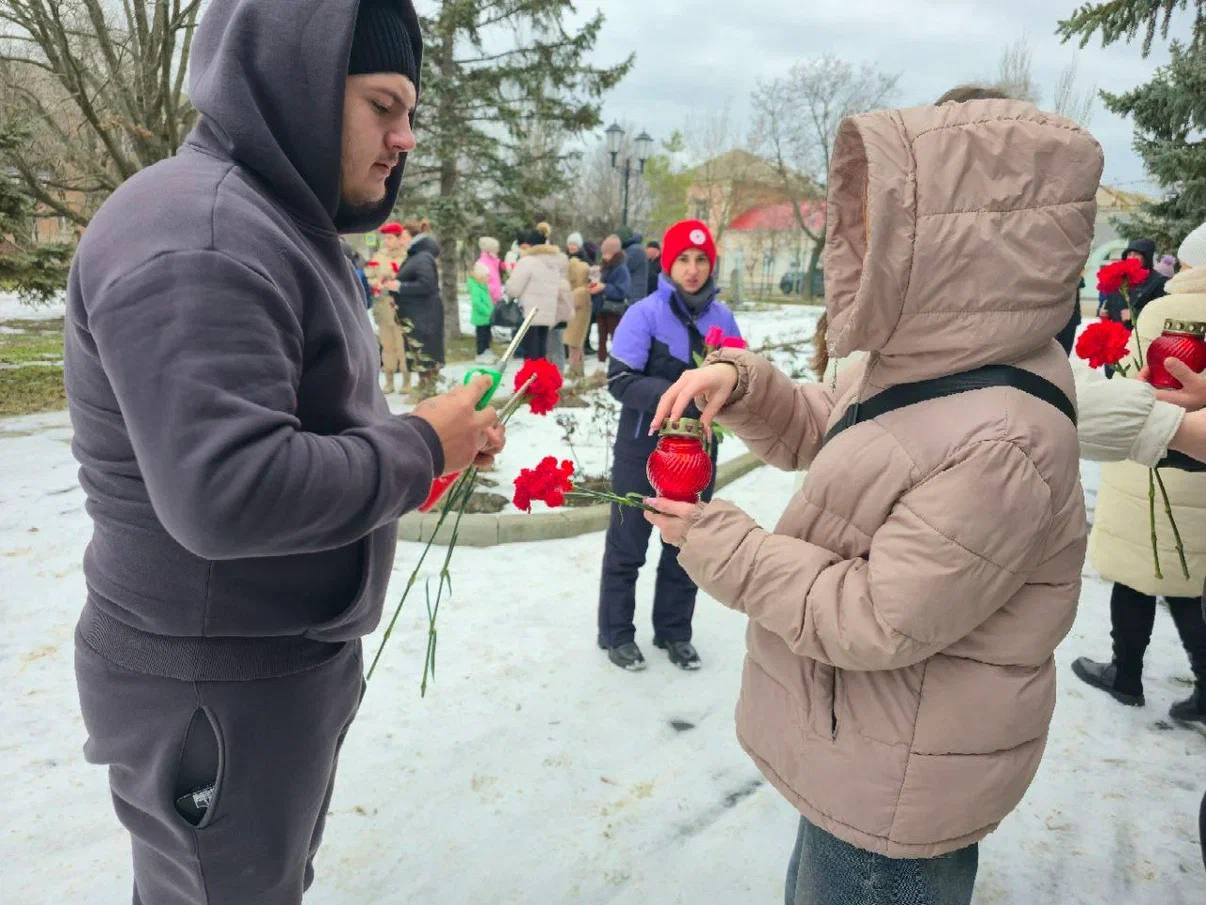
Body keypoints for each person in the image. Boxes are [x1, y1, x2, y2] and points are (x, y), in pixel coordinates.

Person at [62, 2, 505, 903]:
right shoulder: (202, 233)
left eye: (410, 113)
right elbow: (229, 491)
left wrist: (423, 443)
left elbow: (305, 428)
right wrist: (421, 444)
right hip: (213, 691)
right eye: (383, 105)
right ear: (296, 78)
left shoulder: (271, 221)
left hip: (262, 671)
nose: (403, 139)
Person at [645, 98, 1101, 903]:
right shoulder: (924, 356)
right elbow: (837, 430)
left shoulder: (1006, 440)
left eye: (885, 218)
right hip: (866, 746)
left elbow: (876, 615)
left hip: (901, 786)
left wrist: (725, 545)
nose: (862, 239)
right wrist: (744, 383)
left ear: (961, 244)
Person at [1074, 221, 1206, 724]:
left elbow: (1134, 381)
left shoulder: (1160, 310)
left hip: (1154, 457)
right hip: (1199, 470)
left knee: (1138, 572)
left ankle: (1125, 674)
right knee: (1189, 581)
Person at [597, 219, 741, 672]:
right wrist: (679, 397)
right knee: (628, 544)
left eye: (701, 260)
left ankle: (675, 632)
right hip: (643, 449)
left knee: (688, 545)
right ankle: (617, 633)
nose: (693, 269)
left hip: (698, 456)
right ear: (669, 264)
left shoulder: (724, 319)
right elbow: (619, 381)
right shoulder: (644, 314)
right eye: (684, 259)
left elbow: (738, 384)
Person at [505, 228, 571, 361]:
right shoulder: (554, 263)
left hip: (530, 314)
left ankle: (531, 379)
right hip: (548, 314)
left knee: (530, 353)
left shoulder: (527, 262)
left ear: (530, 245)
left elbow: (514, 289)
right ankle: (541, 378)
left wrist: (508, 287)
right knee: (541, 352)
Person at [395, 222, 445, 397]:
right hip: (417, 313)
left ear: (412, 237)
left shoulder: (422, 257)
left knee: (426, 351)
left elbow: (427, 285)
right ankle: (424, 385)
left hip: (425, 314)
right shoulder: (416, 256)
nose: (399, 240)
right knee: (419, 351)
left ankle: (429, 388)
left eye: (402, 236)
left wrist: (400, 286)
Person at [365, 221, 410, 394]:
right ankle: (389, 381)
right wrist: (377, 282)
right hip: (383, 307)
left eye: (390, 238)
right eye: (385, 238)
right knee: (387, 345)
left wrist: (394, 280)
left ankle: (406, 381)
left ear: (399, 239)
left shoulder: (406, 256)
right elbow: (369, 277)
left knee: (402, 346)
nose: (386, 241)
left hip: (401, 306)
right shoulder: (378, 257)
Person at [1099, 238, 1168, 323]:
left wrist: (1136, 314)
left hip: (1141, 333)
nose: (1131, 257)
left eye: (1136, 254)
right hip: (1119, 332)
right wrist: (1107, 312)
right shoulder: (1121, 277)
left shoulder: (1158, 281)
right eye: (1129, 254)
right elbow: (1112, 303)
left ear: (1147, 257)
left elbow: (1162, 310)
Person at [591, 234, 630, 362]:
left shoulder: (621, 269)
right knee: (601, 337)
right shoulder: (605, 267)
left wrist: (604, 287)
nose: (604, 256)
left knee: (616, 338)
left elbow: (622, 291)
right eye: (603, 253)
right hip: (602, 308)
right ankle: (601, 361)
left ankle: (616, 361)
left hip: (614, 310)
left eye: (607, 253)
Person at [564, 238, 594, 378]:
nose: (572, 246)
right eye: (570, 243)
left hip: (577, 310)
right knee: (575, 342)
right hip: (577, 307)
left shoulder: (582, 265)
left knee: (575, 343)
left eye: (574, 244)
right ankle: (577, 369)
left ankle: (575, 369)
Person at [468, 260, 495, 363]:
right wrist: (487, 311)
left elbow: (487, 300)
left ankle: (487, 351)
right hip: (481, 318)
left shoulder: (483, 286)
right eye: (487, 276)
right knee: (481, 337)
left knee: (487, 336)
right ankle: (480, 353)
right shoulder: (476, 287)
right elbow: (477, 302)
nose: (489, 278)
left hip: (487, 318)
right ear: (480, 277)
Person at [619, 226, 649, 304]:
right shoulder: (633, 248)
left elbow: (622, 268)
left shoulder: (635, 250)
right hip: (634, 294)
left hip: (634, 295)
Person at [477, 236, 504, 304]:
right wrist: (493, 291)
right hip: (488, 301)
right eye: (496, 248)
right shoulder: (482, 263)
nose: (498, 250)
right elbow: (481, 285)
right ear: (490, 249)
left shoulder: (494, 262)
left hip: (496, 299)